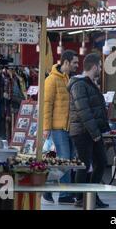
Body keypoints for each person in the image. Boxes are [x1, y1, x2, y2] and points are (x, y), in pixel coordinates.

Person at [68, 53, 111, 208]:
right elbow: (83, 111)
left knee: (100, 162)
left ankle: (91, 195)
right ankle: (81, 198)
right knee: (85, 164)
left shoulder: (89, 83)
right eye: (100, 66)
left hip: (91, 131)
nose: (100, 69)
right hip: (83, 132)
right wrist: (95, 134)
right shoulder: (79, 84)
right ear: (94, 67)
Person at [42, 50, 79, 205]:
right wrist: (46, 128)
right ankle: (64, 193)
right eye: (74, 62)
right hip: (58, 128)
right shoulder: (51, 80)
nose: (77, 65)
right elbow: (47, 104)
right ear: (66, 62)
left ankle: (49, 188)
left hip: (69, 127)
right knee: (64, 159)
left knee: (67, 160)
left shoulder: (69, 79)